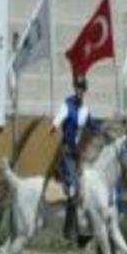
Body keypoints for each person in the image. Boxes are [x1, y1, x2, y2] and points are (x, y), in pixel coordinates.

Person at [50, 73, 101, 244]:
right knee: (73, 188)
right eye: (78, 87)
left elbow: (92, 126)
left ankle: (79, 230)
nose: (80, 90)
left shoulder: (85, 110)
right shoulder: (67, 105)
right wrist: (54, 125)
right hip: (66, 152)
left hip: (77, 154)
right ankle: (68, 231)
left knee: (82, 189)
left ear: (85, 90)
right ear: (75, 88)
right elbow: (59, 117)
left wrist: (103, 130)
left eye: (82, 88)